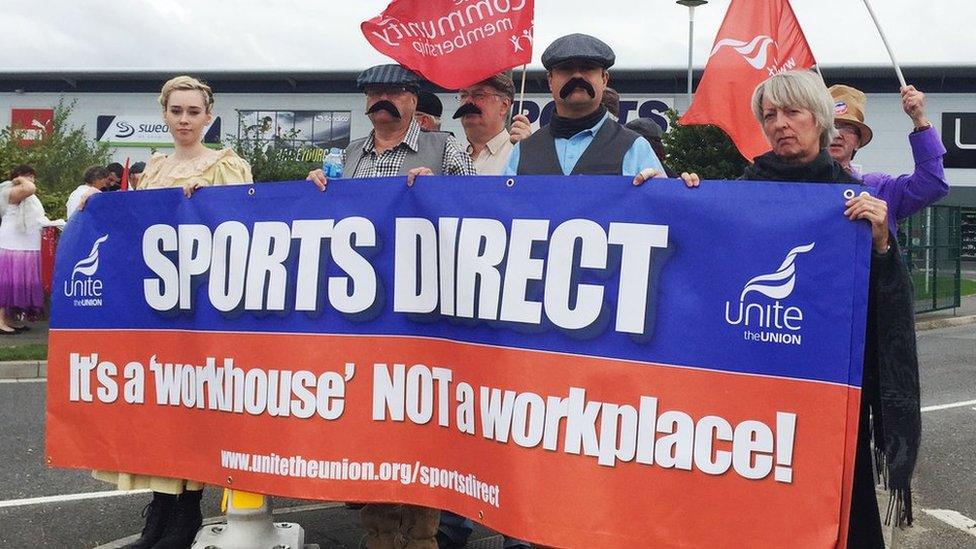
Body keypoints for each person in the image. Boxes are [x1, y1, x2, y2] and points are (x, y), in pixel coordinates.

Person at [742, 70, 920, 548]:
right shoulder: (741, 189)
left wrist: (881, 244)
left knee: (838, 502)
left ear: (819, 120)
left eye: (792, 112)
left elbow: (887, 301)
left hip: (830, 392)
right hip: (754, 388)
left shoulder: (854, 199)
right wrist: (670, 197)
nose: (780, 123)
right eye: (769, 114)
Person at [308, 63, 475, 549]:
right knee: (375, 421)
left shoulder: (446, 148)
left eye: (394, 91)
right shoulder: (347, 154)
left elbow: (477, 209)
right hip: (365, 313)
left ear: (412, 98)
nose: (382, 99)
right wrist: (317, 190)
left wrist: (438, 190)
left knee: (424, 422)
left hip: (427, 309)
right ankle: (379, 534)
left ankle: (423, 536)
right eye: (373, 92)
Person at [90, 75, 253, 549]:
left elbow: (249, 230)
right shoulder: (155, 167)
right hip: (157, 309)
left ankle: (187, 513)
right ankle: (161, 510)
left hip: (204, 308)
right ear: (165, 114)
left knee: (197, 407)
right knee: (162, 406)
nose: (184, 120)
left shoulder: (227, 165)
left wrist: (207, 209)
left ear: (208, 116)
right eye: (176, 111)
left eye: (193, 112)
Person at [437, 71, 531, 549]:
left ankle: (517, 526)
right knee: (456, 420)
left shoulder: (525, 154)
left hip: (508, 313)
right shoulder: (446, 153)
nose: (469, 103)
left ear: (505, 103)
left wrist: (536, 155)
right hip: (451, 312)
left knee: (512, 423)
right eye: (464, 95)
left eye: (480, 96)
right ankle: (453, 522)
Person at [503, 33, 665, 181]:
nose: (577, 75)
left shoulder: (635, 147)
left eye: (588, 67)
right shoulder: (522, 153)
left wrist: (685, 189)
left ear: (604, 79)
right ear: (550, 80)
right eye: (566, 68)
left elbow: (662, 208)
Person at [827, 84, 949, 234]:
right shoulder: (797, 183)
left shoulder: (878, 188)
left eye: (848, 127)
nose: (837, 134)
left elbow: (931, 185)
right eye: (830, 127)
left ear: (858, 142)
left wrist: (919, 120)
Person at [0, 164, 48, 334]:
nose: (32, 180)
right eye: (28, 175)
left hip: (27, 243)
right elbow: (30, 188)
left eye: (33, 176)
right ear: (18, 177)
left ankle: (9, 319)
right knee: (7, 281)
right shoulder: (11, 191)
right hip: (13, 244)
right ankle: (0, 321)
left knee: (19, 282)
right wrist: (19, 179)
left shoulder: (29, 197)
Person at [452, 73, 519, 176]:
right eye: (464, 95)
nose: (468, 101)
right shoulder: (450, 155)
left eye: (479, 95)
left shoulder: (518, 155)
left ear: (504, 106)